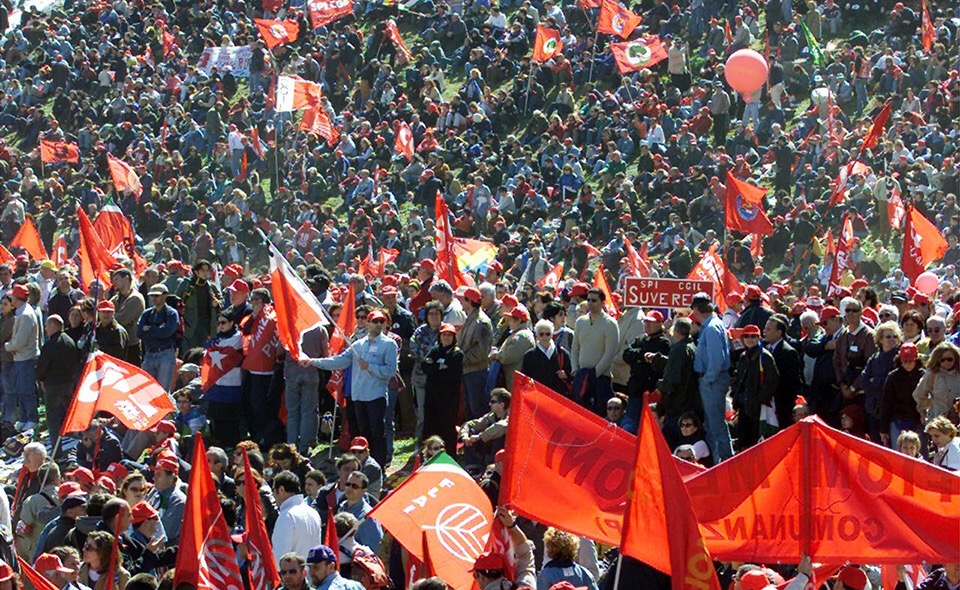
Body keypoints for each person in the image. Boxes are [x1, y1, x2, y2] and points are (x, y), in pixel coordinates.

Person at [302, 310, 398, 468]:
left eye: (382, 321)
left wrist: (370, 367)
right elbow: (339, 361)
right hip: (358, 396)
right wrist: (313, 362)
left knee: (377, 433)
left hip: (376, 396)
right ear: (367, 323)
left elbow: (390, 370)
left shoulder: (388, 344)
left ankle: (378, 466)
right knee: (362, 432)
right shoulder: (358, 345)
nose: (378, 324)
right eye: (375, 321)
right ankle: (363, 465)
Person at [690, 293, 733, 461]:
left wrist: (708, 379)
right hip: (712, 381)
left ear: (696, 309)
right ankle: (718, 462)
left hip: (712, 382)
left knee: (716, 426)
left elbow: (717, 360)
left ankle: (727, 462)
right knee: (713, 426)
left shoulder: (712, 327)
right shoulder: (712, 324)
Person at [571, 288, 620, 415]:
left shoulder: (610, 324)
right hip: (581, 377)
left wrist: (594, 374)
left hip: (601, 378)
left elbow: (610, 353)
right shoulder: (580, 322)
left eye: (594, 300)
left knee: (599, 414)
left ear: (603, 303)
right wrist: (575, 370)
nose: (590, 303)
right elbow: (575, 347)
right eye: (588, 300)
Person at [622, 310, 671, 434]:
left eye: (651, 322)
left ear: (660, 324)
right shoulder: (641, 338)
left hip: (651, 392)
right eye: (646, 322)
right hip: (635, 390)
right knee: (630, 426)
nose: (647, 325)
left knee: (649, 428)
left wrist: (639, 357)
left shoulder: (663, 342)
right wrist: (642, 356)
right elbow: (627, 354)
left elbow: (660, 365)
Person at [731, 325, 779, 450]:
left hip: (758, 409)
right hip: (743, 406)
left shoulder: (765, 356)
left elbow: (772, 381)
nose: (750, 339)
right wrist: (735, 397)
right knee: (744, 443)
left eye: (753, 336)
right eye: (746, 336)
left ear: (759, 338)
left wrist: (759, 400)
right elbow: (738, 379)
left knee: (757, 444)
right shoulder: (743, 356)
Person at [36, 315, 80, 450]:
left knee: (53, 419)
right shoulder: (70, 341)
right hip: (68, 383)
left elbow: (42, 366)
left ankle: (57, 450)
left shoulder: (50, 345)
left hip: (53, 385)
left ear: (53, 326)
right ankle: (77, 440)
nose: (45, 329)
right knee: (70, 414)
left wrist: (40, 379)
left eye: (47, 325)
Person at [421, 323, 464, 455]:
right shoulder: (434, 350)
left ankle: (450, 456)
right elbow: (424, 366)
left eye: (449, 335)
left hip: (448, 399)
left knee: (447, 429)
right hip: (432, 398)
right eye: (444, 334)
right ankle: (429, 455)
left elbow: (452, 375)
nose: (446, 337)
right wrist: (439, 368)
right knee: (430, 427)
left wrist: (434, 369)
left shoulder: (457, 354)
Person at [4, 283, 39, 429]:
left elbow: (20, 341)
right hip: (21, 357)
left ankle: (32, 418)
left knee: (26, 390)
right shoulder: (22, 312)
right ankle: (24, 418)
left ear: (17, 298)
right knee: (20, 389)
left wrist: (7, 346)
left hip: (26, 358)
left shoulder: (25, 315)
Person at [272, 471, 324, 564]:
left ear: (281, 490)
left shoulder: (287, 515)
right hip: (312, 576)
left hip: (291, 576)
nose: (273, 496)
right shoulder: (313, 513)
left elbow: (280, 559)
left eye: (273, 491)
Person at [458, 287, 493, 420]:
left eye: (463, 299)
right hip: (469, 371)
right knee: (469, 409)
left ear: (470, 301)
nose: (461, 302)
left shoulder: (481, 322)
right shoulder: (471, 318)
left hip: (476, 372)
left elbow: (481, 353)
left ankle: (480, 440)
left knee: (477, 410)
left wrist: (461, 359)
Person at [879, 342, 924, 448]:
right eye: (905, 361)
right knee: (898, 451)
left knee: (920, 452)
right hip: (898, 420)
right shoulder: (893, 377)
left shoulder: (923, 375)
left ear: (916, 359)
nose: (908, 364)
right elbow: (886, 403)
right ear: (900, 360)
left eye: (911, 361)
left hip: (918, 420)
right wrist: (883, 429)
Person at [137, 284, 180, 392]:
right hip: (149, 354)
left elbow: (166, 332)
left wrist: (149, 329)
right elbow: (139, 332)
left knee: (162, 390)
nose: (154, 299)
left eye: (157, 295)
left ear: (165, 296)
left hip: (165, 354)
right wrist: (157, 329)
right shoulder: (146, 313)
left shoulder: (171, 313)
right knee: (146, 389)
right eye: (152, 296)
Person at [912, 342, 960, 427]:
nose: (946, 362)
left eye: (949, 359)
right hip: (938, 422)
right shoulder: (932, 374)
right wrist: (926, 410)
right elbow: (918, 395)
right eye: (942, 360)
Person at [520, 320, 572, 397]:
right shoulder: (529, 355)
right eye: (541, 334)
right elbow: (525, 379)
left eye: (547, 334)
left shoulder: (562, 353)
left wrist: (566, 375)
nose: (544, 337)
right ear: (536, 335)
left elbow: (572, 374)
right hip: (538, 396)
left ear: (552, 335)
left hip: (559, 396)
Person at [335, 471, 382, 553]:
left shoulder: (368, 518)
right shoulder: (341, 507)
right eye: (348, 484)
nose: (349, 488)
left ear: (364, 490)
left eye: (354, 486)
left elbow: (374, 550)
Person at [490, 306, 535, 390]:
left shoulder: (523, 336)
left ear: (518, 320)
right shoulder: (518, 333)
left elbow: (508, 357)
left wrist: (496, 354)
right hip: (511, 381)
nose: (508, 322)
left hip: (516, 384)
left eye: (511, 320)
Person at [144, 455, 185, 544]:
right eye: (154, 474)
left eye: (159, 475)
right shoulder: (155, 492)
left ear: (170, 477)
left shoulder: (178, 501)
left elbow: (167, 533)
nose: (154, 478)